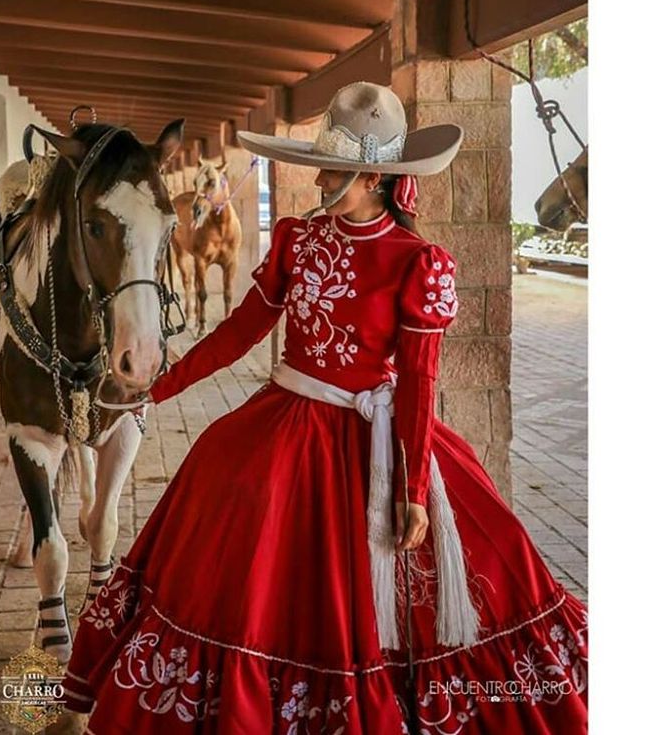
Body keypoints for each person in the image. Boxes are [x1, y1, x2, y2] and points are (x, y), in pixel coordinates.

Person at [63, 82, 588, 733]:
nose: (317, 178)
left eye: (333, 169)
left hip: (379, 442)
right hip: (286, 424)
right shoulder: (297, 240)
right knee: (235, 535)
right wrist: (158, 386)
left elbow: (420, 383)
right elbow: (239, 332)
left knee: (485, 559)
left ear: (374, 175)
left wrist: (416, 488)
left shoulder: (420, 262)